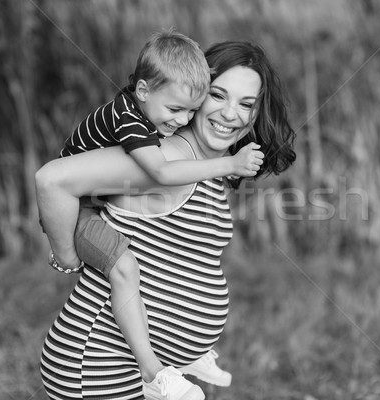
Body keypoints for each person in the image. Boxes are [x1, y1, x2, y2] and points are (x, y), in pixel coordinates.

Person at [36, 40, 296, 400]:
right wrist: (66, 257)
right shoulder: (164, 159)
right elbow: (53, 180)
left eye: (246, 104)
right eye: (218, 96)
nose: (231, 114)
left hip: (130, 372)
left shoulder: (201, 166)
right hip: (99, 365)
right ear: (195, 92)